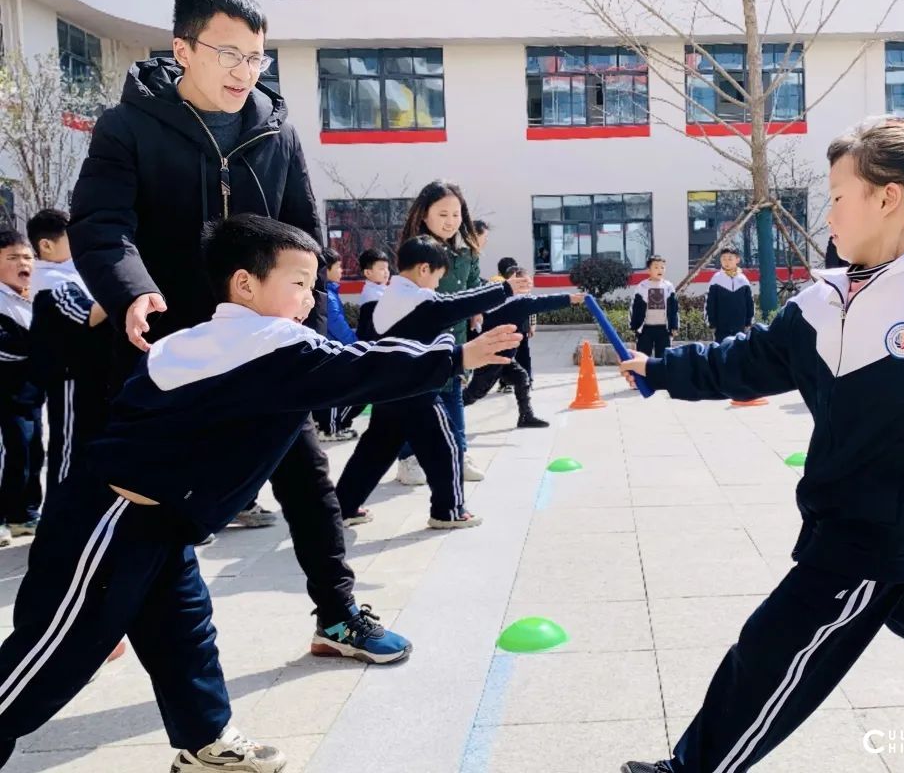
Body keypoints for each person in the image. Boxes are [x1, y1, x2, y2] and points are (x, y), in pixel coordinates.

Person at [618, 119, 904, 773]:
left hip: (874, 529)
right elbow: (745, 360)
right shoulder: (824, 301)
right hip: (852, 517)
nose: (826, 211)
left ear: (888, 200)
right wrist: (661, 371)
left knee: (775, 647)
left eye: (837, 195)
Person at [0, 215, 520, 773]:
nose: (309, 296)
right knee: (57, 651)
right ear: (245, 284)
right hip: (113, 522)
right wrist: (456, 358)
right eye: (297, 282)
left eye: (313, 283)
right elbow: (356, 369)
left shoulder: (205, 341)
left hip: (162, 522)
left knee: (185, 634)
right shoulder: (265, 343)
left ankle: (207, 743)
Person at [68, 0, 374, 659]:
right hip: (168, 342)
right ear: (183, 50)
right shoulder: (129, 128)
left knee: (305, 476)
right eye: (228, 53)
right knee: (139, 491)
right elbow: (102, 223)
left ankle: (338, 614)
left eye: (257, 56)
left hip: (260, 345)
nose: (245, 71)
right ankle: (105, 613)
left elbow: (305, 233)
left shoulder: (275, 129)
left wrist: (312, 314)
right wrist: (131, 290)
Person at [337, 235, 527, 528]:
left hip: (389, 391)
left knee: (373, 451)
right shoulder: (417, 300)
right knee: (445, 447)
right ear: (424, 269)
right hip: (417, 392)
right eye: (438, 276)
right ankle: (448, 511)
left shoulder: (388, 296)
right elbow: (455, 305)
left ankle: (343, 507)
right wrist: (504, 289)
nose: (438, 284)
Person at [394, 181, 487, 487]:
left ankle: (459, 453)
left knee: (453, 395)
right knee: (419, 399)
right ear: (424, 215)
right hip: (422, 339)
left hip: (456, 339)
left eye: (456, 214)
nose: (450, 221)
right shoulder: (417, 252)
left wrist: (478, 308)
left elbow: (474, 286)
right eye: (442, 214)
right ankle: (408, 458)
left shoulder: (467, 252)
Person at [26, 209, 112, 505]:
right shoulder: (51, 282)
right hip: (69, 379)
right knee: (68, 450)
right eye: (70, 237)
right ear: (46, 245)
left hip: (90, 378)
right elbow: (86, 315)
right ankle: (58, 519)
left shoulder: (71, 274)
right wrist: (122, 290)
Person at [463, 265, 583, 427]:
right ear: (515, 282)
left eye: (530, 283)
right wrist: (571, 299)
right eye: (526, 283)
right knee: (473, 394)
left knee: (521, 377)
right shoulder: (518, 301)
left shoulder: (499, 297)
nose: (530, 286)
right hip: (493, 356)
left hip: (501, 355)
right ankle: (446, 410)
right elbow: (545, 302)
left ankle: (526, 416)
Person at [0, 231, 40, 545]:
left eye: (27, 257)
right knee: (9, 452)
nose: (22, 263)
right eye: (13, 257)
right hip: (5, 393)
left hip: (30, 393)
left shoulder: (31, 296)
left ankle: (23, 514)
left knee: (31, 451)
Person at [313, 246, 361, 442]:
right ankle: (330, 429)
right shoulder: (328, 296)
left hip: (330, 351)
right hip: (332, 353)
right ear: (327, 269)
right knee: (336, 393)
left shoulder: (328, 292)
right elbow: (337, 325)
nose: (342, 271)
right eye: (339, 267)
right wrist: (357, 345)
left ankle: (329, 426)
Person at [491, 256, 533, 391]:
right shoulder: (508, 286)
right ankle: (526, 381)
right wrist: (532, 325)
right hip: (519, 327)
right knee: (521, 355)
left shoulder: (498, 286)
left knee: (506, 356)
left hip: (509, 328)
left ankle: (507, 383)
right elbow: (533, 306)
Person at [630, 255, 679, 358]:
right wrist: (634, 327)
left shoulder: (668, 286)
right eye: (656, 267)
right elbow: (635, 307)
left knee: (663, 358)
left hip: (663, 329)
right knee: (643, 357)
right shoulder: (642, 286)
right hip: (646, 329)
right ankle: (643, 375)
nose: (659, 270)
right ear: (649, 270)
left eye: (662, 267)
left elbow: (674, 309)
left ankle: (660, 374)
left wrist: (674, 326)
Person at [705, 246, 754, 342]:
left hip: (740, 327)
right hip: (721, 328)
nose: (726, 262)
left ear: (737, 260)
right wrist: (711, 323)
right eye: (724, 259)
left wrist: (749, 322)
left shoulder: (743, 280)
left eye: (730, 259)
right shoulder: (716, 280)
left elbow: (750, 303)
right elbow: (709, 304)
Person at [353, 247, 391, 340]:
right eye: (382, 269)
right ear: (368, 273)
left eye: (387, 268)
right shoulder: (372, 295)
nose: (386, 272)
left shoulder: (381, 290)